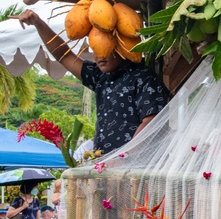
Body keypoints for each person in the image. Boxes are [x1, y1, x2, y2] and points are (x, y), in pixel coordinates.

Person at [15, 10, 170, 155]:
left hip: (135, 167)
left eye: (106, 48)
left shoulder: (144, 77)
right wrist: (38, 23)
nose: (99, 56)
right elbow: (63, 55)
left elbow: (151, 121)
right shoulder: (100, 76)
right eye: (95, 49)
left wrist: (124, 157)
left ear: (122, 46)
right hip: (106, 167)